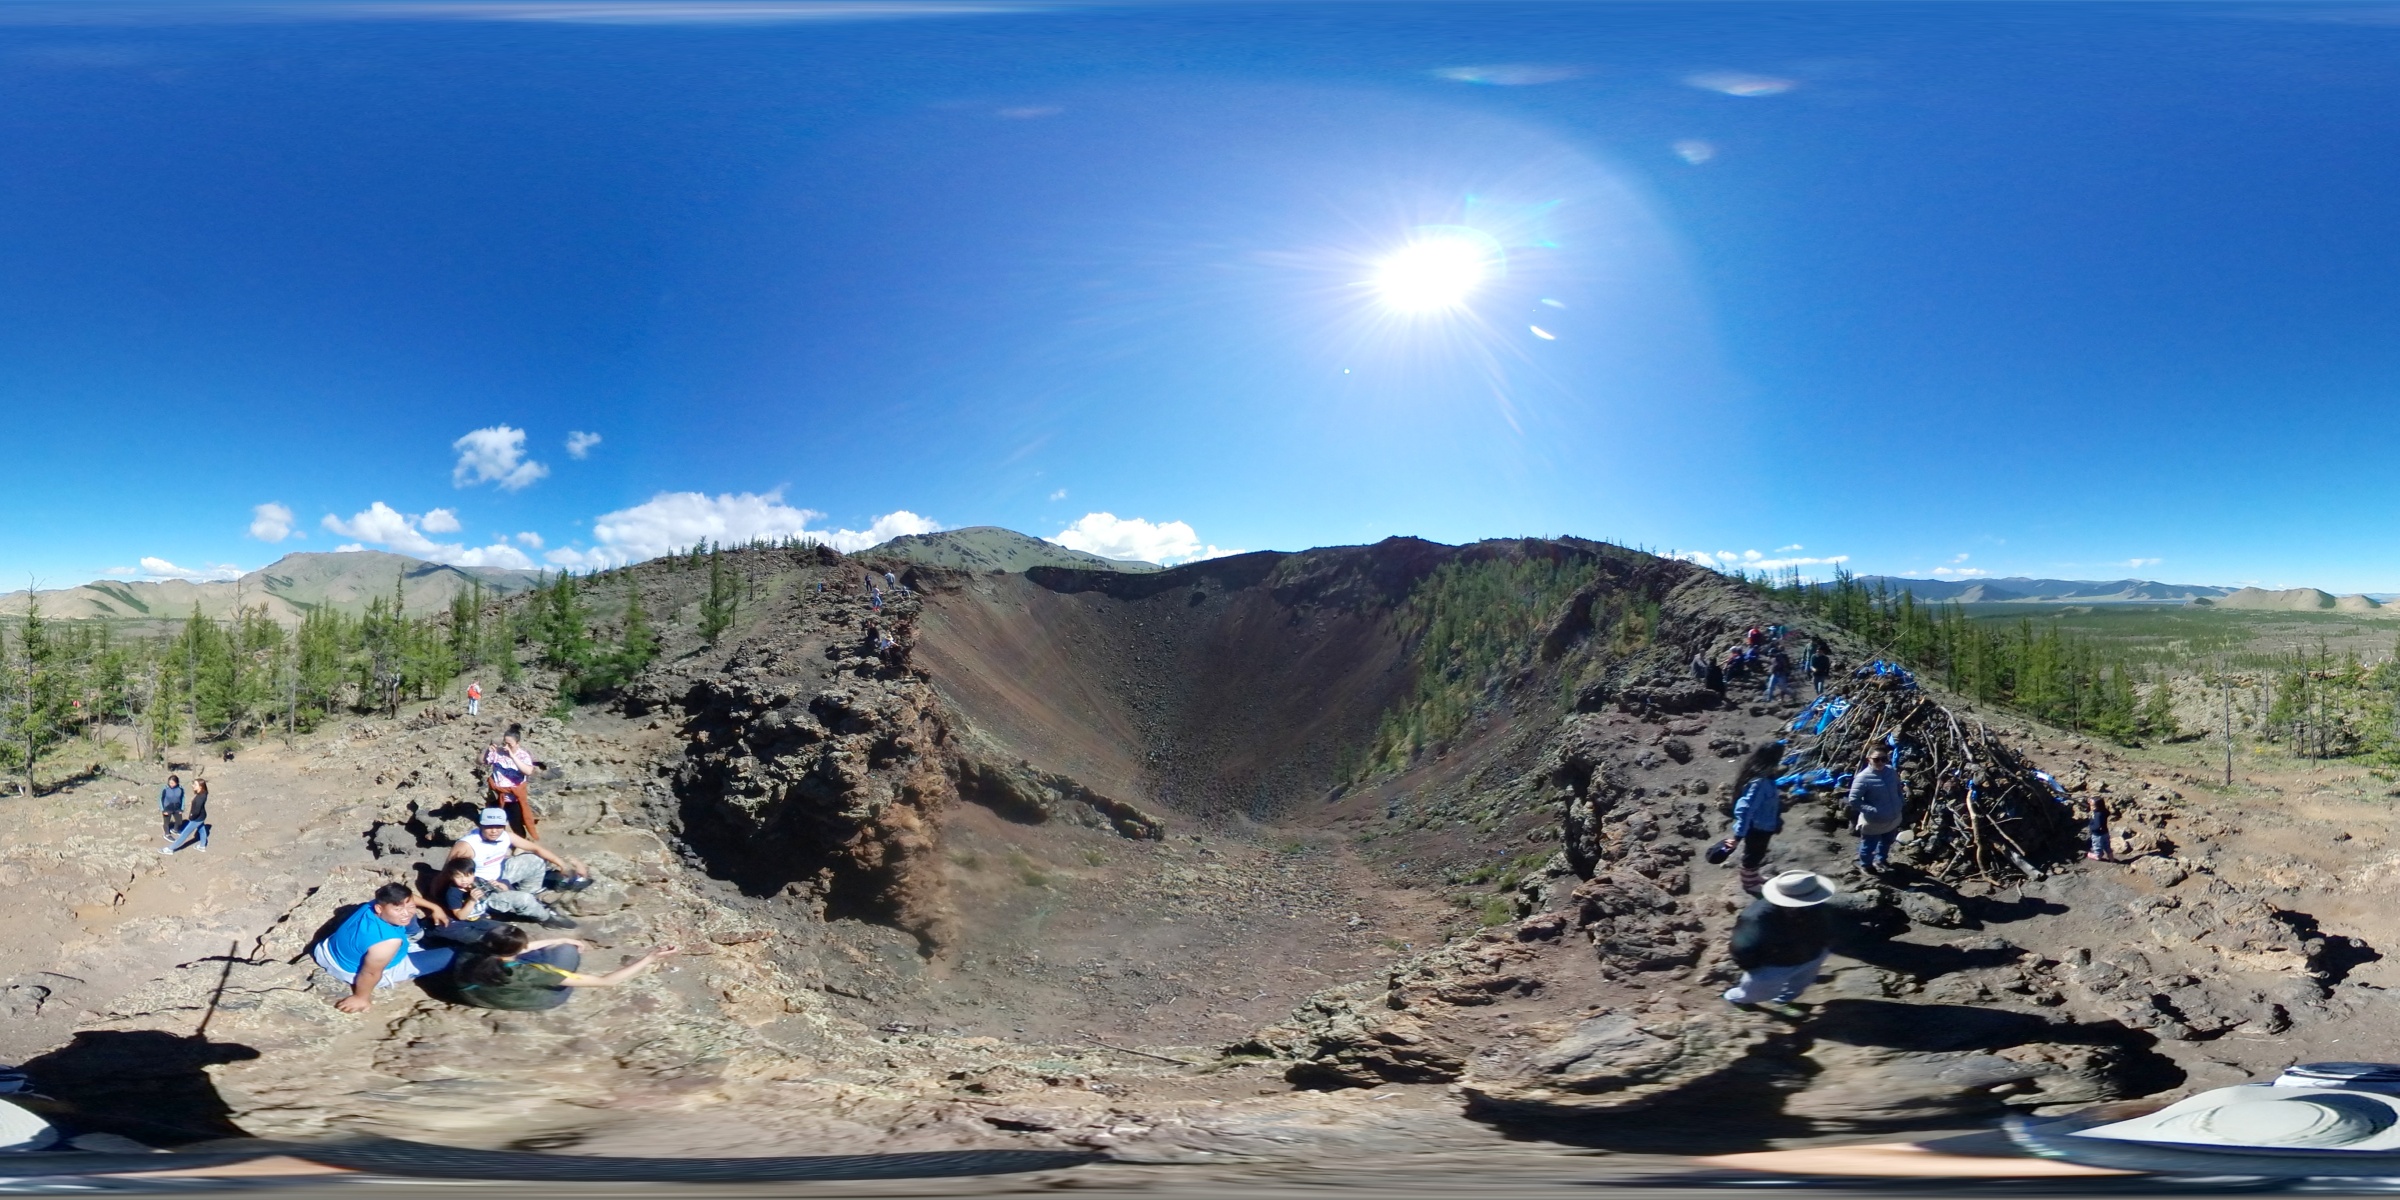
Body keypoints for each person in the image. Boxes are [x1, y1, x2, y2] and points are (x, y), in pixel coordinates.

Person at [451, 924, 680, 1011]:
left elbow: (517, 950)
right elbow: (606, 982)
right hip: (533, 998)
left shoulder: (474, 951)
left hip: (471, 993)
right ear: (516, 950)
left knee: (559, 947)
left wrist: (558, 939)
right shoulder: (526, 972)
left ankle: (556, 947)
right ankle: (555, 986)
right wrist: (650, 957)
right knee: (565, 953)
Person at [314, 882, 455, 1013]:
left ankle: (414, 936)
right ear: (379, 908)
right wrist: (361, 998)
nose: (406, 912)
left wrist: (435, 907)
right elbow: (370, 973)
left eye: (410, 906)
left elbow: (407, 900)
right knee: (453, 954)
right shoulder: (388, 942)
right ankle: (416, 943)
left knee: (405, 917)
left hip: (330, 950)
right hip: (357, 969)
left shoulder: (372, 906)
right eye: (398, 909)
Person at [443, 808, 589, 929]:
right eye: (489, 826)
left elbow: (535, 848)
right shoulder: (468, 845)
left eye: (498, 826)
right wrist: (436, 901)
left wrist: (562, 864)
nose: (494, 831)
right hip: (482, 887)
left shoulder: (506, 836)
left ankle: (533, 894)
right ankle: (545, 917)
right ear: (481, 825)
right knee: (524, 900)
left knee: (534, 860)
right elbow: (447, 871)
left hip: (499, 873)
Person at [1725, 871, 1838, 1014]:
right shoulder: (1756, 918)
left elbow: (1827, 924)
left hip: (1813, 954)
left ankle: (1782, 1001)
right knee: (1756, 992)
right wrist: (1754, 968)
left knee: (1800, 985)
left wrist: (1825, 945)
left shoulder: (1816, 904)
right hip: (1774, 964)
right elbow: (1740, 947)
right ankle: (1736, 999)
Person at [1729, 744, 1785, 894]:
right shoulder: (1759, 783)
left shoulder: (1765, 777)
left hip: (1765, 825)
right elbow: (1746, 809)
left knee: (1758, 853)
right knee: (1752, 855)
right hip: (1757, 826)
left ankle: (1754, 877)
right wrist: (1738, 835)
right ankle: (1749, 884)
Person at [1844, 745, 1907, 875]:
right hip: (1874, 821)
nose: (1880, 762)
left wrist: (1900, 801)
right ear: (1869, 759)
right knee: (1868, 846)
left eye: (1884, 759)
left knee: (1888, 841)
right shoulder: (1863, 778)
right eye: (1876, 759)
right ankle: (1866, 865)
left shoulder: (1890, 771)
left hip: (1893, 816)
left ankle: (1881, 860)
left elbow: (1898, 788)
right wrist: (1872, 810)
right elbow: (1854, 799)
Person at [483, 732, 539, 838]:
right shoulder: (498, 753)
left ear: (517, 743)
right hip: (497, 794)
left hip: (514, 797)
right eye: (505, 743)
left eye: (510, 744)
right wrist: (487, 752)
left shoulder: (523, 755)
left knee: (515, 823)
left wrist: (512, 755)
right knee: (494, 821)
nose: (506, 746)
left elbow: (528, 771)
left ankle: (521, 844)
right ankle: (496, 841)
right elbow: (480, 761)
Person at [162, 778, 211, 853]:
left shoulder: (200, 798)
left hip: (196, 818)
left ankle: (170, 849)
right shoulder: (204, 793)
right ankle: (202, 846)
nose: (193, 785)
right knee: (202, 830)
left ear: (200, 786)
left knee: (184, 834)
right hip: (202, 816)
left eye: (195, 784)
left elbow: (196, 811)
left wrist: (191, 817)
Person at [2087, 794, 2115, 862]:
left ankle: (2097, 856)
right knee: (2107, 845)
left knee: (2097, 846)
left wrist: (2091, 827)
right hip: (2105, 832)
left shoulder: (2098, 814)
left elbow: (2097, 826)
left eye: (2093, 806)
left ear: (2098, 806)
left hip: (2097, 835)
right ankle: (2111, 858)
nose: (2091, 807)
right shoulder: (2104, 811)